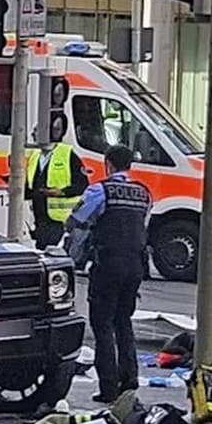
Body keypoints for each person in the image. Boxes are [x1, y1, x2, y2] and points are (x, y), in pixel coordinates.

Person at [66, 144, 152, 404]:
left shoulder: (100, 190)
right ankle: (130, 378)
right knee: (123, 321)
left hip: (108, 263)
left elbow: (78, 218)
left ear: (108, 164)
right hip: (135, 265)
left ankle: (108, 387)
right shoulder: (143, 193)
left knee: (102, 324)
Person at [25, 139, 87, 248]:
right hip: (39, 218)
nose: (34, 134)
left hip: (58, 220)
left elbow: (82, 185)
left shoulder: (67, 154)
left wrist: (61, 192)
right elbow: (31, 186)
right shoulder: (35, 155)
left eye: (37, 130)